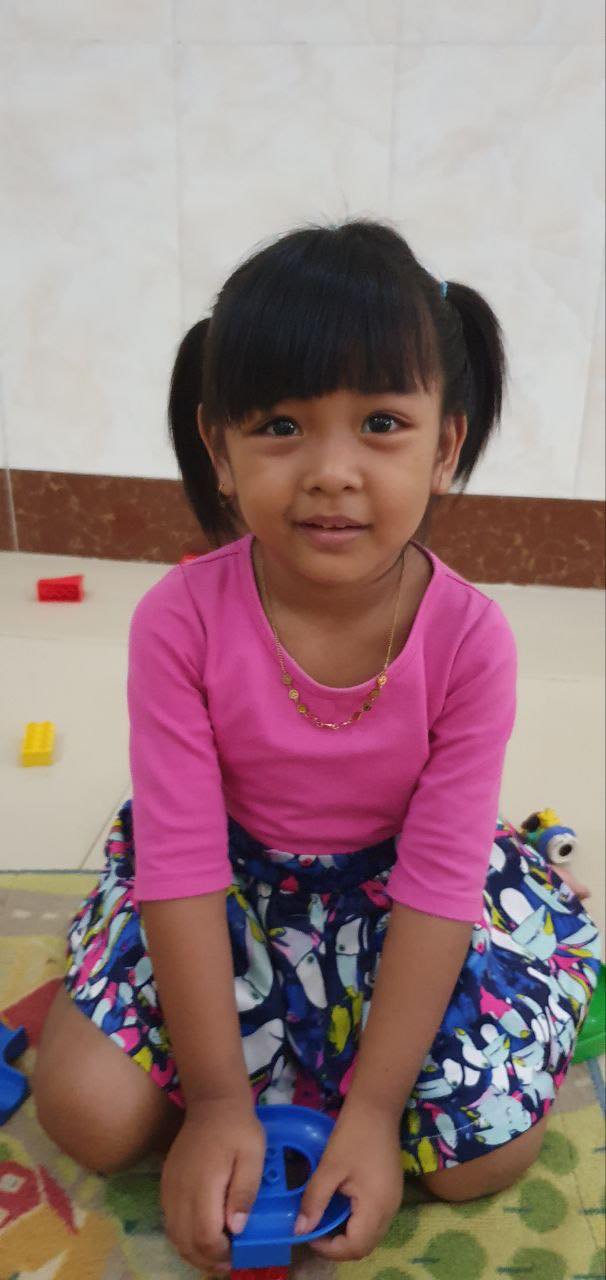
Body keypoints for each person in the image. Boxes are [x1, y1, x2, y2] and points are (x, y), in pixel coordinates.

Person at [33, 218, 601, 1276]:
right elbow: (182, 862)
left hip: (400, 898)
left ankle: (336, 1078)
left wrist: (376, 1111)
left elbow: (438, 882)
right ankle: (179, 1042)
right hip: (227, 885)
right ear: (219, 448)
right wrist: (214, 1101)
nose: (332, 471)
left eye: (381, 423)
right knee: (91, 1114)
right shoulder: (177, 620)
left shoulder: (472, 639)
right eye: (281, 425)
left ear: (444, 447)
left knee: (484, 1155)